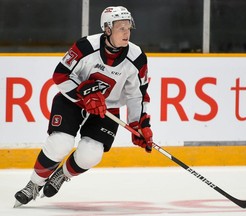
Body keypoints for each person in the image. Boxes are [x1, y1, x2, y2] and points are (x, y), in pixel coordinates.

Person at [14, 6, 153, 207]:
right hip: (72, 101)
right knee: (60, 143)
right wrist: (83, 94)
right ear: (107, 29)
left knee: (91, 154)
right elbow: (60, 75)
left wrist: (139, 124)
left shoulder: (137, 56)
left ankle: (62, 174)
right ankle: (33, 184)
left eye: (128, 27)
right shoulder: (86, 46)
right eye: (120, 27)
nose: (126, 32)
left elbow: (137, 95)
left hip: (107, 107)